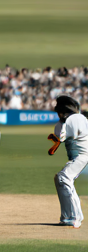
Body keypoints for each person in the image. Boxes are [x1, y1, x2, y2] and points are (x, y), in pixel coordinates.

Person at [48, 95, 88, 228]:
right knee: (60, 178)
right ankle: (67, 216)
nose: (58, 114)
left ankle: (75, 217)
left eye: (60, 112)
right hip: (78, 157)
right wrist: (54, 142)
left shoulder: (76, 118)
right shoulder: (62, 123)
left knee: (64, 178)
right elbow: (61, 138)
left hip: (83, 155)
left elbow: (72, 136)